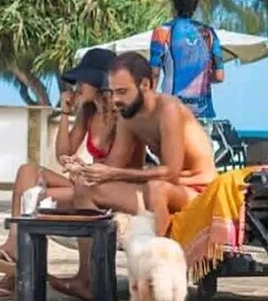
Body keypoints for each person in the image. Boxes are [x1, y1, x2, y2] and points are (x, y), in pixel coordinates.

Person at [0, 48, 144, 299]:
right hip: (88, 184)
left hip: (114, 192)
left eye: (83, 80)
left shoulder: (124, 116)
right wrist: (66, 113)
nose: (77, 86)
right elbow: (63, 153)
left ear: (100, 83)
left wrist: (82, 169)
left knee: (33, 199)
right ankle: (13, 245)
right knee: (27, 173)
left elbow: (114, 167)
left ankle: (14, 272)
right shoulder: (89, 113)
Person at [50, 52, 218, 300]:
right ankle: (90, 277)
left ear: (145, 85)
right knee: (86, 186)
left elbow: (172, 171)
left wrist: (113, 172)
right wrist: (87, 170)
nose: (115, 99)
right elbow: (114, 164)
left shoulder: (168, 109)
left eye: (122, 91)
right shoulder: (128, 115)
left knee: (156, 187)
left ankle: (154, 276)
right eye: (112, 92)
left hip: (196, 189)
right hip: (162, 186)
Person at [149, 0, 225, 133]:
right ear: (195, 7)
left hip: (171, 110)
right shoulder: (209, 33)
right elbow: (219, 76)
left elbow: (154, 74)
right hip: (202, 113)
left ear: (173, 5)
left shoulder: (162, 32)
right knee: (200, 149)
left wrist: (149, 106)